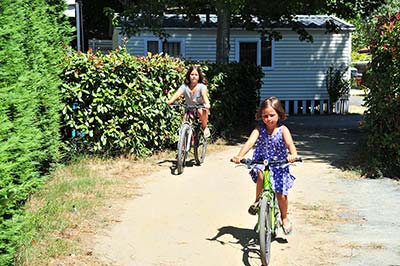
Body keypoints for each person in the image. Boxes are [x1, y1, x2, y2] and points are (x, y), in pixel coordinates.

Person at [231, 96, 298, 235]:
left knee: (281, 195)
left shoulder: (283, 129)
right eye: (265, 116)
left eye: (272, 115)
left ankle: (284, 217)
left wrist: (293, 154)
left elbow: (290, 144)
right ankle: (257, 201)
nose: (268, 119)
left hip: (279, 164)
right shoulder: (258, 130)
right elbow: (249, 143)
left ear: (279, 115)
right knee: (261, 173)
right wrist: (240, 156)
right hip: (262, 161)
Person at [167, 65, 211, 138]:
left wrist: (207, 104)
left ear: (199, 76)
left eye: (196, 75)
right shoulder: (185, 86)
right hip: (189, 108)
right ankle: (184, 144)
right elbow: (178, 93)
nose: (194, 76)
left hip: (200, 108)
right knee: (184, 124)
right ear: (189, 76)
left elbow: (204, 96)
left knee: (201, 111)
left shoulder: (202, 87)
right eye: (192, 74)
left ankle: (204, 128)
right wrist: (170, 101)